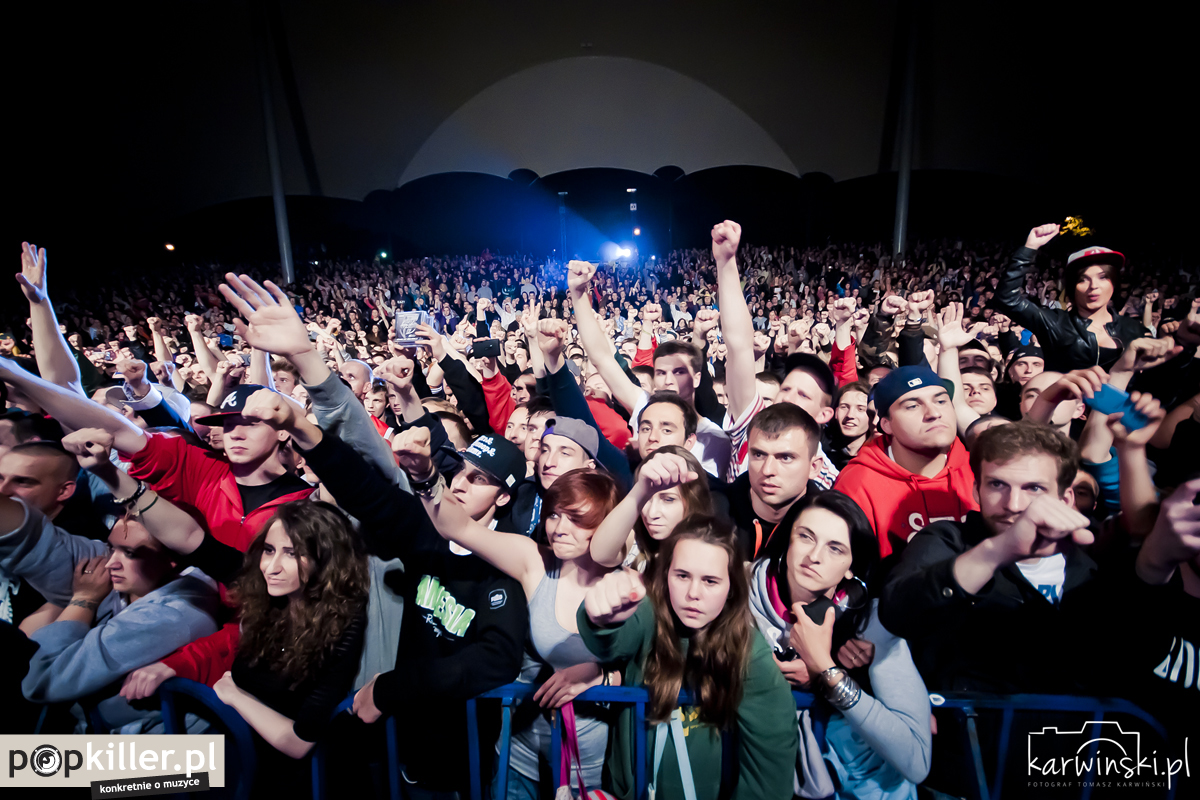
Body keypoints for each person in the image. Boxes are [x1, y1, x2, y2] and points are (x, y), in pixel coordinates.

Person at [393, 427, 620, 799]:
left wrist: (603, 675)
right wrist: (425, 476)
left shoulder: (624, 583)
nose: (560, 529)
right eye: (554, 515)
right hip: (518, 752)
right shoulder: (534, 559)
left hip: (586, 764)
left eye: (577, 518)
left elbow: (654, 661)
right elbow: (456, 526)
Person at [1, 434, 221, 732]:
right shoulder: (140, 572)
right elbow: (33, 541)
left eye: (129, 553)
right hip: (101, 736)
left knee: (15, 760)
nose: (110, 562)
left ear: (174, 559)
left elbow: (43, 682)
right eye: (112, 548)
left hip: (165, 755)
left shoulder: (171, 615)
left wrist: (83, 601)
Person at [579, 515, 798, 800]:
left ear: (731, 587)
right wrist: (601, 617)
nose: (693, 593)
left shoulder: (748, 651)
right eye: (682, 576)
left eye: (710, 581)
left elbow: (770, 768)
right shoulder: (649, 614)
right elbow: (610, 642)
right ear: (666, 574)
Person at [878, 421, 1096, 693]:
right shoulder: (948, 540)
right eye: (997, 484)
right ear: (976, 490)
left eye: (1033, 488)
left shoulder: (1092, 563)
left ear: (1065, 500)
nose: (1013, 504)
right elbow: (898, 613)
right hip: (969, 717)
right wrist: (996, 552)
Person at [749, 491, 931, 799]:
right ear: (788, 540)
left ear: (851, 566)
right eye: (806, 537)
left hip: (875, 789)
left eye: (835, 548)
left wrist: (825, 671)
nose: (814, 556)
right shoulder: (738, 596)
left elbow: (916, 762)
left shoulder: (871, 621)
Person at [833, 366, 977, 559]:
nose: (934, 413)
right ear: (886, 424)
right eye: (912, 406)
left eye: (941, 401)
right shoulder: (856, 484)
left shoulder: (980, 469)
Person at [994, 223, 1151, 372]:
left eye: (1103, 277)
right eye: (1083, 279)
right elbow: (1007, 298)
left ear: (1114, 283)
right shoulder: (1054, 323)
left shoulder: (1135, 329)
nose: (1093, 286)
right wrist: (1030, 247)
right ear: (1072, 287)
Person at [590, 447, 712, 569]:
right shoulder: (636, 542)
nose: (652, 513)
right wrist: (640, 490)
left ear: (695, 501)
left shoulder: (712, 552)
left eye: (668, 499)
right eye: (645, 499)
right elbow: (600, 554)